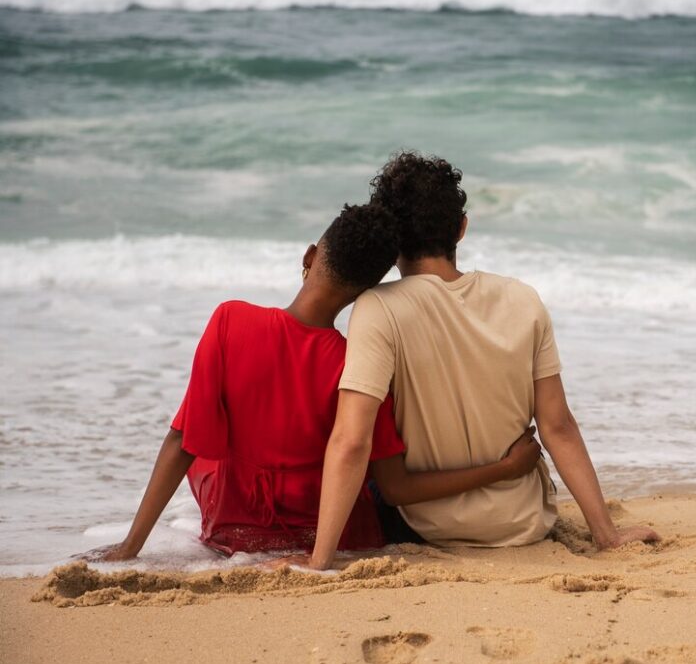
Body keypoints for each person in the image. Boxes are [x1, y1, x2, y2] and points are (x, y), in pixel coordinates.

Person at [83, 202, 541, 561]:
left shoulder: (230, 321)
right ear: (368, 292)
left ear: (309, 257)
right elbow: (398, 488)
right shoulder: (354, 362)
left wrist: (130, 548)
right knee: (369, 461)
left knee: (203, 437)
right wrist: (504, 468)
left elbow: (181, 442)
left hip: (232, 523)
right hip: (330, 530)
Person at [304, 154, 659, 570]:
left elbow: (352, 440)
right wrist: (608, 535)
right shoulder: (522, 298)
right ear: (461, 228)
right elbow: (557, 426)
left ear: (393, 238)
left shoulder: (377, 309)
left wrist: (318, 563)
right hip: (524, 523)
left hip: (424, 527)